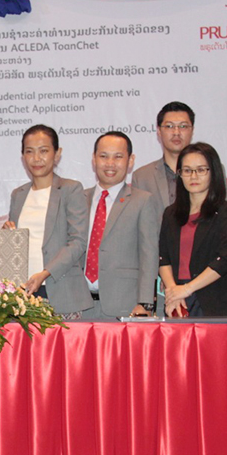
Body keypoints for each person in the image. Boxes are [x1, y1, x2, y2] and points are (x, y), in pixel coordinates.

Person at [3, 125, 90, 317]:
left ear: (57, 154)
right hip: (22, 293)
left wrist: (45, 273)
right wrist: (6, 235)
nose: (36, 158)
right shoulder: (18, 195)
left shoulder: (71, 189)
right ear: (23, 157)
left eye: (43, 151)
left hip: (61, 291)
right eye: (29, 151)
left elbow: (78, 242)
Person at [82, 131, 162, 319]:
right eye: (103, 156)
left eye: (118, 157)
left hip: (125, 306)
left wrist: (145, 303)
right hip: (80, 307)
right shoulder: (78, 199)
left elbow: (149, 255)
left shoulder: (142, 201)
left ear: (130, 160)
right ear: (94, 159)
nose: (110, 163)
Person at [158, 142, 227, 317]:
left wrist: (188, 289)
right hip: (178, 300)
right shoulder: (170, 213)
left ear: (213, 172)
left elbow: (226, 259)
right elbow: (163, 257)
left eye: (201, 170)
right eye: (187, 170)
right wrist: (173, 290)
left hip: (215, 300)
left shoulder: (226, 211)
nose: (193, 176)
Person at [132, 101, 227, 224]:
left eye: (183, 126)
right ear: (159, 131)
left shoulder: (212, 169)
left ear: (192, 130)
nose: (176, 132)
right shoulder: (142, 177)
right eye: (169, 126)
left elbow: (224, 216)